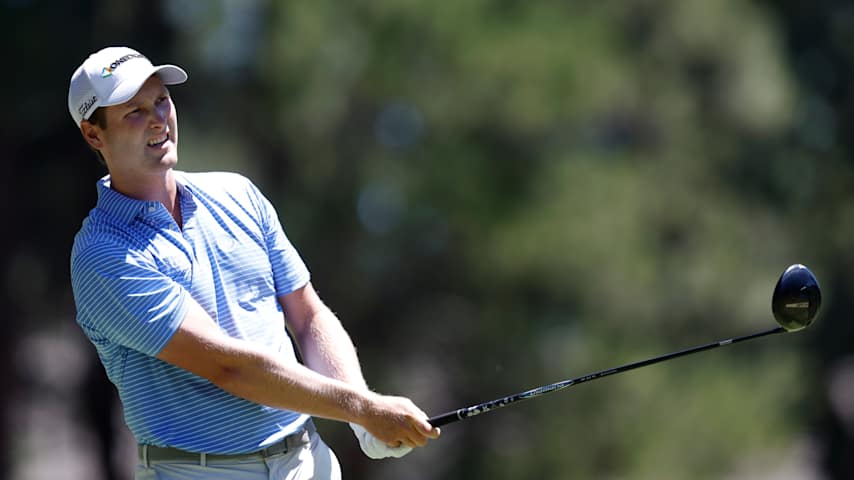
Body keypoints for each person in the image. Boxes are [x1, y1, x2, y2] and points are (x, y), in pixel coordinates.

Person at [68, 46, 440, 480]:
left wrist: (361, 416)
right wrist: (362, 407)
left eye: (161, 101)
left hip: (307, 460)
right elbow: (230, 367)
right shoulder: (104, 254)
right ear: (94, 135)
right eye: (134, 111)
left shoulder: (236, 195)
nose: (157, 119)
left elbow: (307, 314)